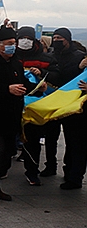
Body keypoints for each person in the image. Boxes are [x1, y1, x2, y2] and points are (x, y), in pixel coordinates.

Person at [0, 27, 42, 206]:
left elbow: (23, 83)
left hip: (12, 117)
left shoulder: (16, 63)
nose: (13, 47)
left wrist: (37, 87)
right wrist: (6, 89)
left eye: (14, 44)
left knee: (8, 153)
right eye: (10, 44)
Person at [15, 26, 60, 185]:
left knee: (32, 141)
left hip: (34, 106)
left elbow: (57, 76)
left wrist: (41, 73)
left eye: (28, 38)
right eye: (22, 38)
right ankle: (1, 169)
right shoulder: (10, 56)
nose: (24, 41)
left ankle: (32, 171)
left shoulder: (46, 58)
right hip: (12, 104)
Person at [45, 27, 85, 178]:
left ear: (67, 39)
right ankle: (50, 166)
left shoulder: (80, 57)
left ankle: (72, 173)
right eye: (54, 38)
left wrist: (79, 67)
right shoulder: (49, 56)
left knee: (74, 140)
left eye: (59, 38)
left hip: (72, 104)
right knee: (50, 137)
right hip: (52, 102)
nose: (56, 41)